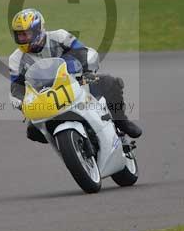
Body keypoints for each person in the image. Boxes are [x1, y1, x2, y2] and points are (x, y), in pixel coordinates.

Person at [8, 8, 142, 144]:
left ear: (38, 30)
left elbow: (82, 52)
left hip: (76, 83)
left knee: (110, 82)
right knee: (33, 131)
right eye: (19, 35)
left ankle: (121, 122)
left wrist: (87, 71)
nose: (22, 38)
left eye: (26, 34)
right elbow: (16, 87)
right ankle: (66, 145)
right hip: (46, 99)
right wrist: (23, 103)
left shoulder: (60, 37)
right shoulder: (15, 59)